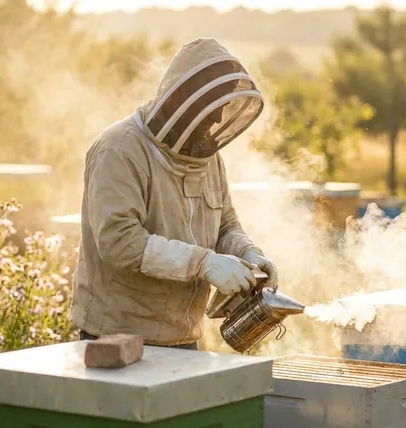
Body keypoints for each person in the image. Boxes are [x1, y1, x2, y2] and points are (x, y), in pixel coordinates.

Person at [69, 38, 278, 350]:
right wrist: (204, 264)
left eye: (223, 107)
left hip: (183, 337)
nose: (217, 119)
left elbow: (225, 226)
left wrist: (250, 253)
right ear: (182, 96)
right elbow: (119, 242)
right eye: (213, 106)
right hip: (117, 338)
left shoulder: (207, 158)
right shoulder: (120, 149)